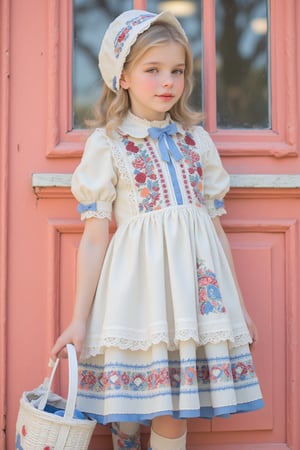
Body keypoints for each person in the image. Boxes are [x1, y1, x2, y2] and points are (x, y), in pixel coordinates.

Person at [51, 9, 264, 450]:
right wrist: (78, 318)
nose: (168, 81)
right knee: (129, 411)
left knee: (174, 408)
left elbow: (215, 232)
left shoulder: (196, 141)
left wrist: (238, 307)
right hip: (137, 295)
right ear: (122, 77)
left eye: (177, 71)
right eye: (152, 70)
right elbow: (94, 238)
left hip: (192, 299)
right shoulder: (108, 144)